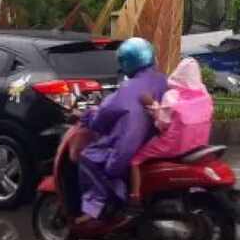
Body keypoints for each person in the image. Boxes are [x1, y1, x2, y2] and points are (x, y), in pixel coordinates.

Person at [75, 37, 167, 222]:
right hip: (153, 144)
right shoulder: (162, 80)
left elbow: (102, 118)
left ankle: (96, 207)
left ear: (131, 60)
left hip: (127, 149)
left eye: (122, 61)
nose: (120, 67)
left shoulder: (127, 88)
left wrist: (85, 115)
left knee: (87, 157)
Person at [129, 57, 214, 203]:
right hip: (199, 143)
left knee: (134, 161)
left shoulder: (172, 96)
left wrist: (155, 110)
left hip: (175, 145)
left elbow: (162, 123)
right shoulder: (204, 94)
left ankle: (135, 197)